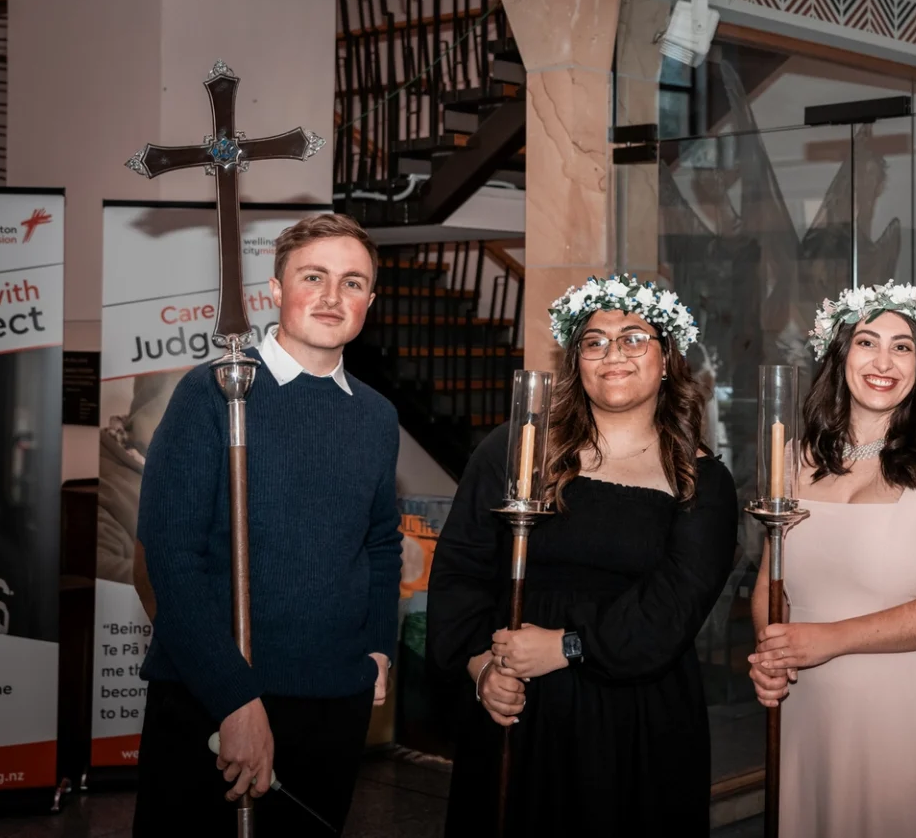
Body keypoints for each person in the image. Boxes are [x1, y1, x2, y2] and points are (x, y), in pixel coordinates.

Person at [427, 273, 738, 836]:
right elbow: (460, 571)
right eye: (594, 341)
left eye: (633, 338)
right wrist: (481, 671)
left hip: (637, 717)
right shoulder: (516, 451)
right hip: (519, 701)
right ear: (577, 361)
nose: (612, 354)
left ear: (666, 357)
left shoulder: (700, 479)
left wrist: (567, 646)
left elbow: (675, 606)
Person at [133, 213, 401, 837]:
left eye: (354, 282)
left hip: (333, 699)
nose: (334, 297)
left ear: (370, 300)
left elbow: (381, 543)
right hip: (212, 694)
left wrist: (380, 648)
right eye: (314, 276)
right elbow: (171, 559)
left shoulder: (377, 416)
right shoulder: (211, 395)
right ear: (276, 290)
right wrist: (234, 699)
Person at [748, 281, 916, 837]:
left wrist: (829, 639)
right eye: (867, 342)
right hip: (808, 710)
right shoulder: (796, 457)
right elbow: (770, 583)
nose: (884, 361)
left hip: (907, 713)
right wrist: (771, 653)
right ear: (841, 354)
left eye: (902, 346)